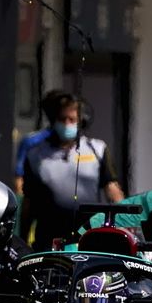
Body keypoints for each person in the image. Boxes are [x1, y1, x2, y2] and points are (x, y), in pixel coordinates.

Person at [20, 91, 124, 250]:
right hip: (48, 239)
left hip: (89, 237)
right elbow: (28, 200)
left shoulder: (97, 149)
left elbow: (112, 189)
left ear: (80, 121)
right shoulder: (36, 155)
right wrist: (23, 239)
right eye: (62, 119)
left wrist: (126, 224)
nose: (67, 124)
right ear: (54, 121)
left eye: (72, 119)